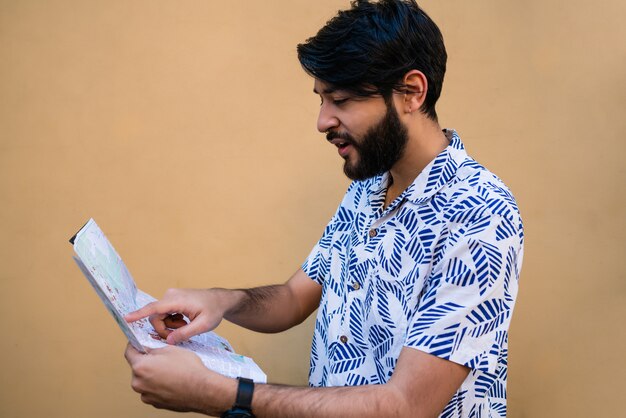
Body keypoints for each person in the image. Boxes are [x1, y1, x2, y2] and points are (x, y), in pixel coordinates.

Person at [124, 1, 524, 417]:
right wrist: (221, 302)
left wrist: (225, 395)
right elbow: (295, 297)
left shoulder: (480, 212)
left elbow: (406, 407)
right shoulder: (368, 186)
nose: (322, 120)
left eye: (341, 99)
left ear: (412, 92)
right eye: (321, 99)